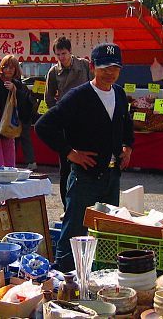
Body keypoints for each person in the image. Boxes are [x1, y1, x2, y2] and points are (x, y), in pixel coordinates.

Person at [35, 43, 134, 272]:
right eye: (104, 67)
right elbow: (44, 126)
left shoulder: (118, 93)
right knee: (74, 229)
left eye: (115, 67)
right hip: (84, 176)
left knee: (105, 227)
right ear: (93, 67)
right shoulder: (78, 96)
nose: (110, 72)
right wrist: (70, 153)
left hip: (111, 174)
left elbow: (126, 124)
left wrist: (128, 147)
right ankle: (64, 276)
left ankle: (97, 272)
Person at [44, 36, 93, 205]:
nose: (61, 57)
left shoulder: (85, 65)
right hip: (65, 122)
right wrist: (58, 112)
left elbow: (95, 86)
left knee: (87, 163)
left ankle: (87, 205)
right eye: (58, 54)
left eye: (64, 53)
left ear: (70, 52)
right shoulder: (53, 72)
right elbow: (49, 97)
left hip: (86, 121)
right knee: (65, 166)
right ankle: (67, 206)